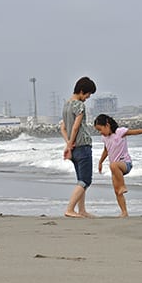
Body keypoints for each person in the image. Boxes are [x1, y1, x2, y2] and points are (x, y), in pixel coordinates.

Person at [94, 114, 142, 217]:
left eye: (100, 129)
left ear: (107, 125)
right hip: (116, 169)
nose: (100, 132)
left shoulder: (120, 132)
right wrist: (100, 162)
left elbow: (135, 132)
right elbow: (106, 150)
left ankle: (123, 186)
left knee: (113, 166)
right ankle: (124, 212)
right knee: (117, 191)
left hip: (125, 164)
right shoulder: (105, 138)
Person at [60, 76, 97, 218]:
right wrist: (70, 144)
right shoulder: (79, 106)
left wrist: (68, 144)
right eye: (88, 94)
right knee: (86, 180)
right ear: (82, 91)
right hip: (82, 145)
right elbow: (75, 127)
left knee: (81, 181)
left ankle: (82, 210)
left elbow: (63, 128)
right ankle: (70, 209)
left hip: (74, 147)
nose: (88, 97)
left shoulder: (66, 105)